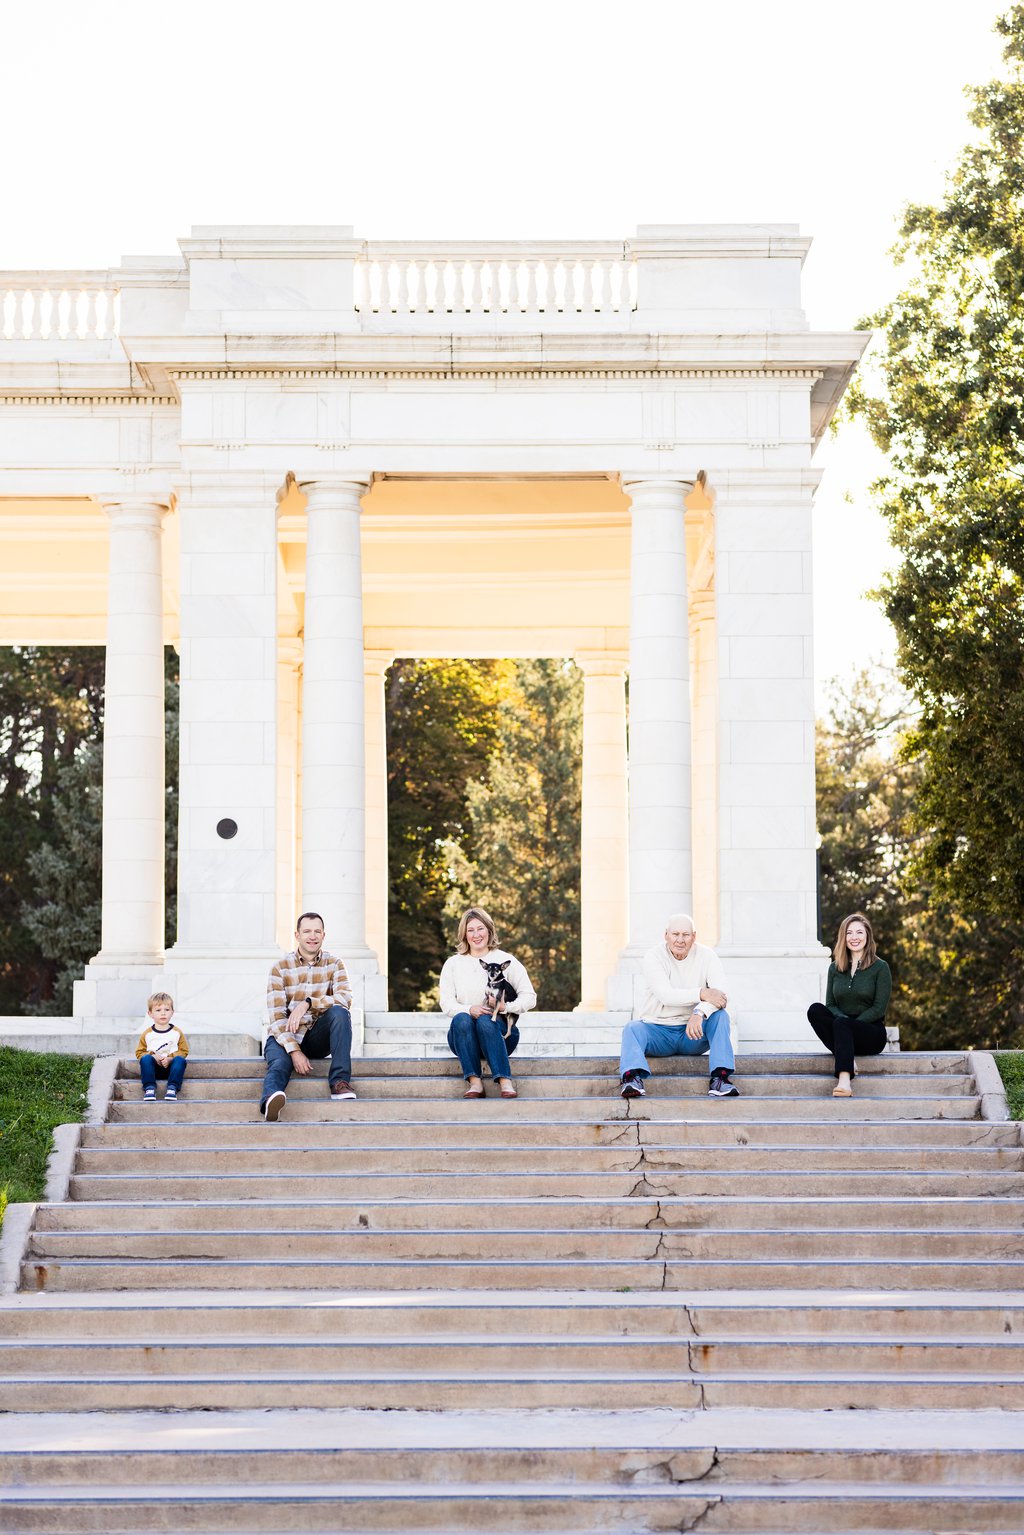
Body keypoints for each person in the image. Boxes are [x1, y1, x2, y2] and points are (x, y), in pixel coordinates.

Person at [618, 913, 738, 1099]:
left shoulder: (707, 956)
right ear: (666, 935)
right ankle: (632, 1079)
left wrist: (699, 1012)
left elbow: (721, 996)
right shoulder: (654, 957)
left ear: (694, 937)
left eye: (686, 935)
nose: (680, 940)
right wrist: (702, 993)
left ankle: (720, 1080)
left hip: (693, 1033)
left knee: (721, 1016)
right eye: (675, 934)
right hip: (658, 1031)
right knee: (632, 1028)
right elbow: (666, 995)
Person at [261, 911, 355, 1122]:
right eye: (307, 931)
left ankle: (340, 1082)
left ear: (323, 935)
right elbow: (276, 1019)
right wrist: (294, 1051)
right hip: (284, 1036)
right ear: (297, 935)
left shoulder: (335, 963)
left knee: (340, 1012)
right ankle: (271, 1099)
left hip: (316, 1036)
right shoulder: (280, 968)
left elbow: (345, 997)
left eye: (317, 931)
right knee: (279, 1064)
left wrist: (309, 1003)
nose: (312, 936)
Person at [440, 907, 537, 1099]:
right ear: (464, 934)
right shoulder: (453, 964)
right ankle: (475, 1083)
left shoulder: (505, 960)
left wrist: (505, 1007)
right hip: (464, 1037)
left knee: (486, 1021)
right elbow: (446, 1003)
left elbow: (529, 997)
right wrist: (470, 1009)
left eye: (480, 928)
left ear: (489, 930)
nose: (476, 935)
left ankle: (504, 1080)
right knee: (461, 1018)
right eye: (471, 930)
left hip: (501, 1035)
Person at [807, 911, 891, 1097]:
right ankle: (846, 1055)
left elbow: (878, 1009)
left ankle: (845, 1082)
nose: (854, 937)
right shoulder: (835, 968)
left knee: (841, 1024)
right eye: (849, 933)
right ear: (843, 937)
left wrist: (850, 1025)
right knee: (815, 1010)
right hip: (841, 1026)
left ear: (867, 936)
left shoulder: (880, 967)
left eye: (859, 932)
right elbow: (830, 1004)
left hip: (871, 1032)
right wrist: (843, 1022)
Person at [135, 992, 188, 1102]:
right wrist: (152, 1056)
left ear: (172, 1012)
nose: (163, 1013)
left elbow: (184, 1050)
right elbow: (139, 1052)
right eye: (158, 1010)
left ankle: (172, 1088)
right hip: (153, 1069)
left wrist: (170, 1058)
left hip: (171, 1069)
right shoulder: (147, 1034)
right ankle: (149, 1088)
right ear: (150, 1014)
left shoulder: (176, 1032)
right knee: (145, 1059)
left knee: (180, 1060)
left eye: (167, 1010)